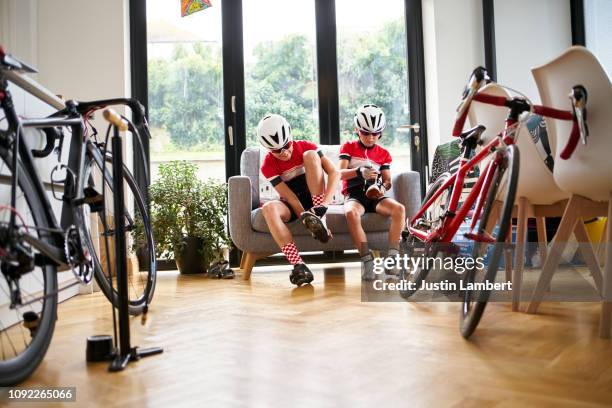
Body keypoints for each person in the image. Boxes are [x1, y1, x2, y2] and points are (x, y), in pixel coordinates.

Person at [258, 114, 340, 286]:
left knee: (310, 155)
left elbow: (334, 173)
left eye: (286, 146)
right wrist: (308, 222)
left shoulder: (306, 146)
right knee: (268, 208)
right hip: (293, 203)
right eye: (276, 151)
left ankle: (320, 221)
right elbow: (291, 197)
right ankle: (299, 265)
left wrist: (322, 210)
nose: (284, 152)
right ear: (268, 149)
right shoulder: (268, 165)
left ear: (291, 137)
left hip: (316, 200)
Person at [338, 104, 406, 280]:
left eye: (375, 134)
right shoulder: (349, 147)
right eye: (365, 133)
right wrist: (359, 171)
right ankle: (367, 261)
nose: (370, 137)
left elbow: (388, 180)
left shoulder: (383, 153)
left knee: (399, 209)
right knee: (351, 213)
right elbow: (339, 174)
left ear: (381, 132)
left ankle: (391, 260)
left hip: (375, 194)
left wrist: (382, 188)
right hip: (355, 195)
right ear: (357, 130)